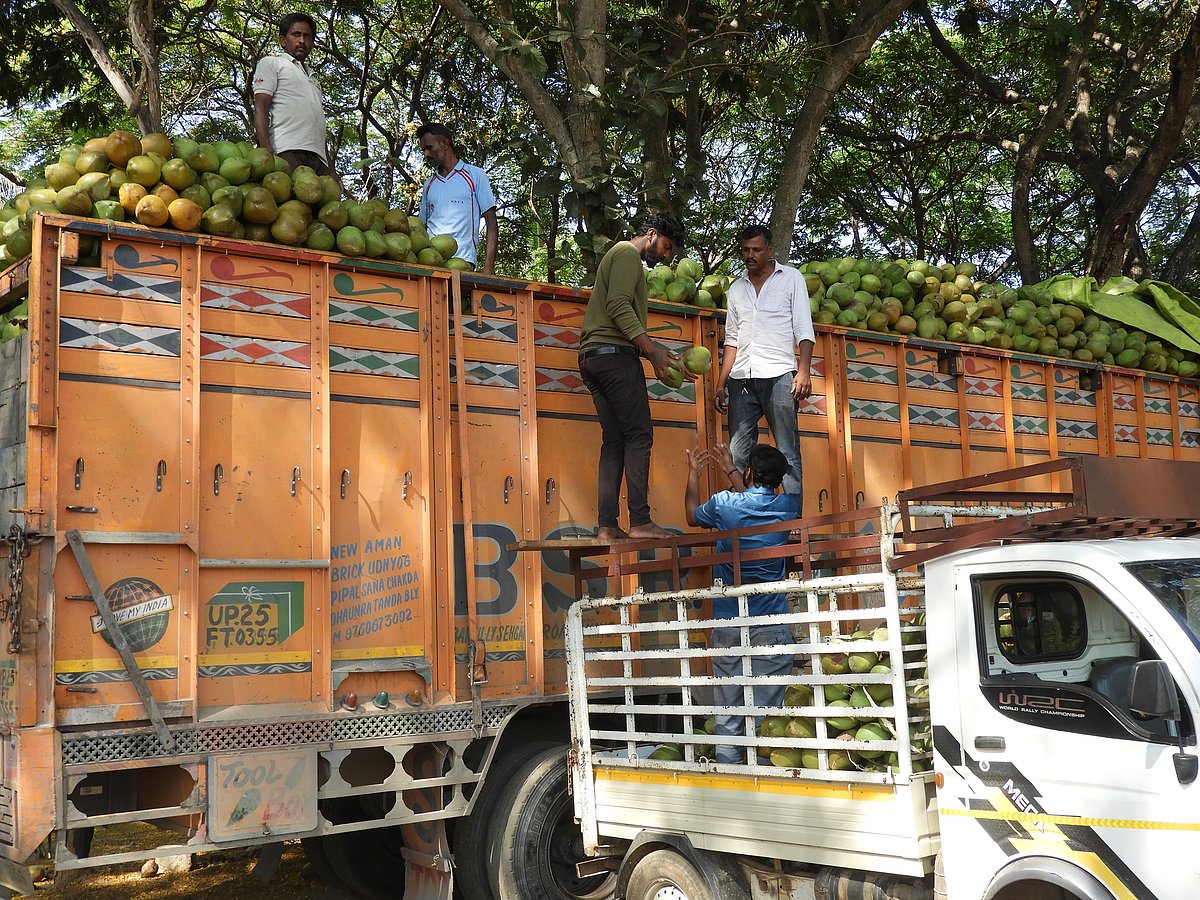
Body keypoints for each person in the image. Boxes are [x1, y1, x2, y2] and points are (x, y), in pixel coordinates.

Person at [580, 214, 693, 541]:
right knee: (640, 435)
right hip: (614, 358)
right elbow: (618, 306)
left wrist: (658, 352)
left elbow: (617, 314)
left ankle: (607, 526)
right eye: (666, 247)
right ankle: (641, 521)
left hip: (592, 357)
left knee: (615, 440)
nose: (666, 256)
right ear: (652, 234)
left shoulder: (615, 256)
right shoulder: (627, 253)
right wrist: (652, 352)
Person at [685, 442, 799, 764]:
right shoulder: (787, 506)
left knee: (729, 719)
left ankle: (730, 784)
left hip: (728, 625)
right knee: (765, 724)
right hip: (771, 626)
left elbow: (692, 516)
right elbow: (755, 503)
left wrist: (694, 472)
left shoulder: (725, 505)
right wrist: (734, 472)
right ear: (778, 480)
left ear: (748, 472)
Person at [713, 224, 815, 512]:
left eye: (756, 250)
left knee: (787, 451)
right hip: (741, 378)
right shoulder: (737, 289)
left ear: (770, 250)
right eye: (746, 250)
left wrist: (803, 371)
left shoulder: (791, 278)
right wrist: (721, 383)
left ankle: (792, 518)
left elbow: (804, 330)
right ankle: (742, 513)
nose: (750, 255)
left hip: (780, 376)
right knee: (737, 453)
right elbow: (732, 340)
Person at [252, 13, 337, 179]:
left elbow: (317, 125)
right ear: (283, 40)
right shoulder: (272, 63)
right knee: (289, 204)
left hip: (318, 159)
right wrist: (266, 149)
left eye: (307, 36)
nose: (302, 41)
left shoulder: (314, 78)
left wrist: (332, 169)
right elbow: (261, 107)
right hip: (286, 150)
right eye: (296, 34)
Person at [417, 123, 497, 274]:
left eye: (429, 147)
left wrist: (489, 267)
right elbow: (422, 226)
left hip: (463, 263)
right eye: (423, 150)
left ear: (445, 143)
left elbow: (491, 222)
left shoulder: (475, 175)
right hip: (431, 263)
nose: (426, 154)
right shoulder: (429, 184)